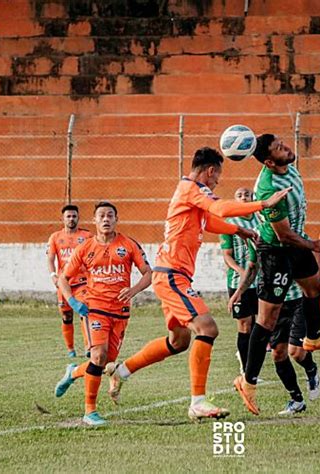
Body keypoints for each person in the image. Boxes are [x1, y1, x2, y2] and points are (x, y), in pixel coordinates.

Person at [104, 147, 290, 421]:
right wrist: (263, 204)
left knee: (179, 341)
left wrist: (240, 229)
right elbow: (221, 207)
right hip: (171, 274)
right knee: (208, 328)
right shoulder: (191, 187)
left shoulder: (190, 194)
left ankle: (121, 371)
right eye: (217, 177)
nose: (217, 183)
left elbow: (210, 220)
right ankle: (197, 402)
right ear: (211, 171)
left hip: (171, 273)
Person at [234, 134, 320, 416]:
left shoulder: (290, 167)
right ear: (270, 161)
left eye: (284, 143)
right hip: (277, 251)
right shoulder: (267, 187)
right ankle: (248, 381)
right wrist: (314, 245)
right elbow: (282, 233)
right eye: (280, 149)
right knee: (266, 321)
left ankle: (314, 338)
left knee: (313, 287)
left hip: (296, 243)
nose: (287, 148)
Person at [54, 202, 152, 426]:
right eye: (101, 216)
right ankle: (90, 411)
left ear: (116, 219)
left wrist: (134, 290)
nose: (106, 219)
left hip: (121, 311)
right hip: (94, 308)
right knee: (98, 356)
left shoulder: (128, 245)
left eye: (110, 215)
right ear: (95, 221)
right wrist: (73, 302)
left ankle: (73, 372)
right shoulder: (85, 248)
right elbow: (63, 278)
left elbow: (148, 273)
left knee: (107, 362)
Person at [229, 240, 320, 416]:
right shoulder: (258, 238)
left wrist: (312, 287)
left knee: (296, 352)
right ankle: (297, 400)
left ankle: (311, 368)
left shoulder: (293, 234)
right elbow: (253, 266)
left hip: (298, 301)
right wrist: (239, 291)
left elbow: (317, 256)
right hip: (276, 305)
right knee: (278, 353)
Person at [220, 187, 259, 374]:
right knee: (245, 325)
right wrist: (240, 270)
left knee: (262, 324)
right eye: (240, 195)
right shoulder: (229, 224)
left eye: (248, 195)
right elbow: (226, 255)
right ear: (235, 201)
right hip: (238, 281)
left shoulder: (260, 220)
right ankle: (246, 370)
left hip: (260, 280)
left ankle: (251, 362)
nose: (244, 198)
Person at [46, 204, 92, 357]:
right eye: (68, 216)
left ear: (78, 218)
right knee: (67, 316)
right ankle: (70, 349)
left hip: (82, 282)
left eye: (74, 216)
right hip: (63, 283)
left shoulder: (87, 236)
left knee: (85, 312)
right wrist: (53, 275)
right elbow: (51, 259)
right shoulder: (55, 237)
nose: (71, 219)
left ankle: (89, 347)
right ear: (63, 219)